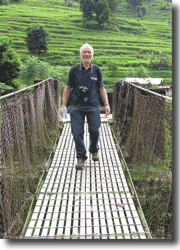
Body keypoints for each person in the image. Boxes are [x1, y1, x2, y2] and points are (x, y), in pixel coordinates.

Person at [60, 43, 110, 170]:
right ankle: (81, 156)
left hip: (93, 106)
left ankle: (94, 149)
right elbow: (67, 88)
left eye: (89, 52)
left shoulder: (97, 70)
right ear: (80, 54)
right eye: (84, 52)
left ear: (92, 54)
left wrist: (106, 104)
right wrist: (63, 106)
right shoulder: (74, 69)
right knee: (77, 132)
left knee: (94, 130)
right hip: (76, 106)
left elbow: (101, 88)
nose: (87, 54)